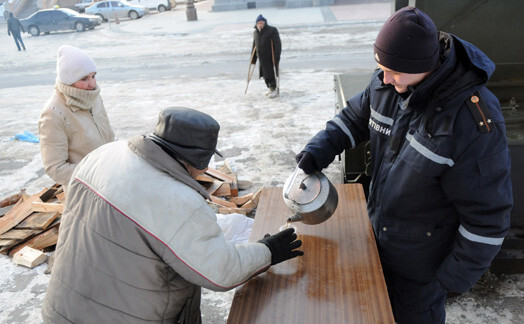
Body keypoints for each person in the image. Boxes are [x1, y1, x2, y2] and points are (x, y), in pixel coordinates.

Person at [295, 6, 512, 324]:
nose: (384, 77)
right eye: (381, 67)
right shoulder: (389, 82)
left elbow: (487, 219)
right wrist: (318, 151)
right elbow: (355, 116)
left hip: (422, 270)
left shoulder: (470, 123)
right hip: (377, 242)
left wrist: (448, 280)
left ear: (424, 65)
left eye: (393, 71)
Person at [41, 107, 303, 323]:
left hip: (62, 310)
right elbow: (220, 271)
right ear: (198, 162)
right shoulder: (177, 200)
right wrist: (268, 250)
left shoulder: (103, 155)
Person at [38, 45, 115, 193]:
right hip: (84, 192)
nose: (92, 84)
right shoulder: (53, 113)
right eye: (84, 78)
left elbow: (109, 137)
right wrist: (97, 172)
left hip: (110, 182)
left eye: (93, 76)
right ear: (69, 80)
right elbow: (56, 169)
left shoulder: (93, 97)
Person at [250, 14, 281, 98]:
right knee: (264, 74)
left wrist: (276, 57)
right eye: (258, 23)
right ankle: (270, 88)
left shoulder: (272, 30)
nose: (260, 25)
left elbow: (277, 45)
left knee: (270, 73)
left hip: (270, 57)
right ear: (256, 24)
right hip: (261, 58)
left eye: (262, 23)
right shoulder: (255, 32)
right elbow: (254, 45)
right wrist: (253, 59)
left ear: (265, 23)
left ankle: (273, 89)